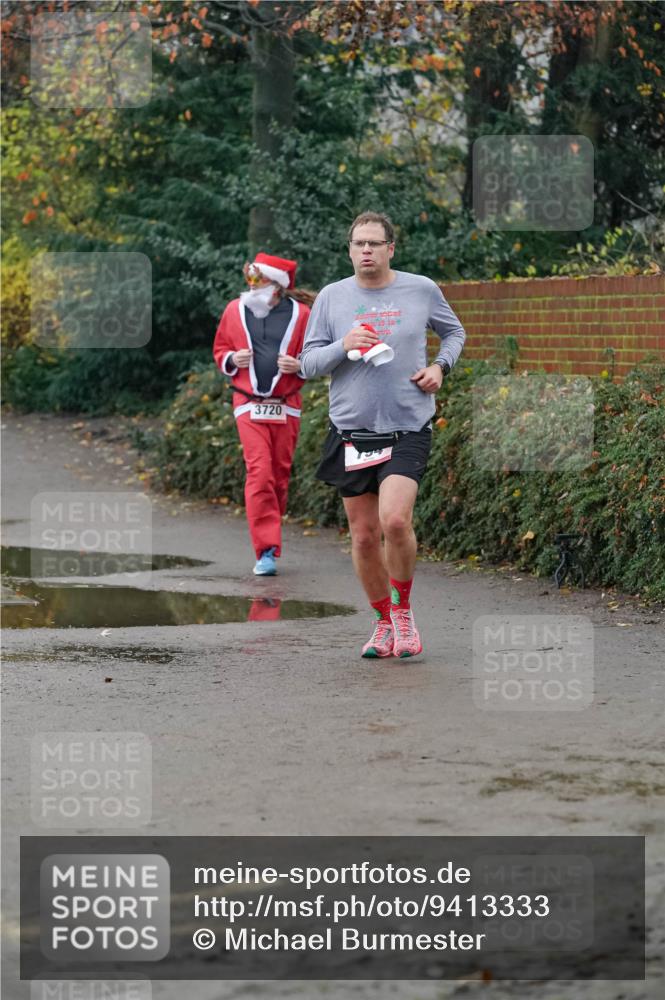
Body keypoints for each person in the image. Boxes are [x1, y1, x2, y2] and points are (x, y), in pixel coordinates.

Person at [299, 212, 466, 659]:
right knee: (364, 535)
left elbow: (454, 332)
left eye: (375, 243)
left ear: (392, 248)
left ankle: (404, 611)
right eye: (359, 244)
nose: (366, 250)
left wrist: (439, 367)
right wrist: (344, 344)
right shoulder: (332, 298)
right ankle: (382, 623)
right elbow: (308, 363)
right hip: (351, 431)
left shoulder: (421, 289)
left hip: (407, 425)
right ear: (349, 249)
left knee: (395, 521)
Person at [213, 253, 310, 575]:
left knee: (279, 475)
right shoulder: (233, 310)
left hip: (287, 405)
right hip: (247, 402)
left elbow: (316, 354)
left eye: (258, 279)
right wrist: (231, 359)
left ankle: (271, 528)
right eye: (249, 279)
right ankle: (265, 550)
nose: (251, 285)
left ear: (277, 285)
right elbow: (220, 348)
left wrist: (300, 365)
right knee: (260, 472)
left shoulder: (302, 315)